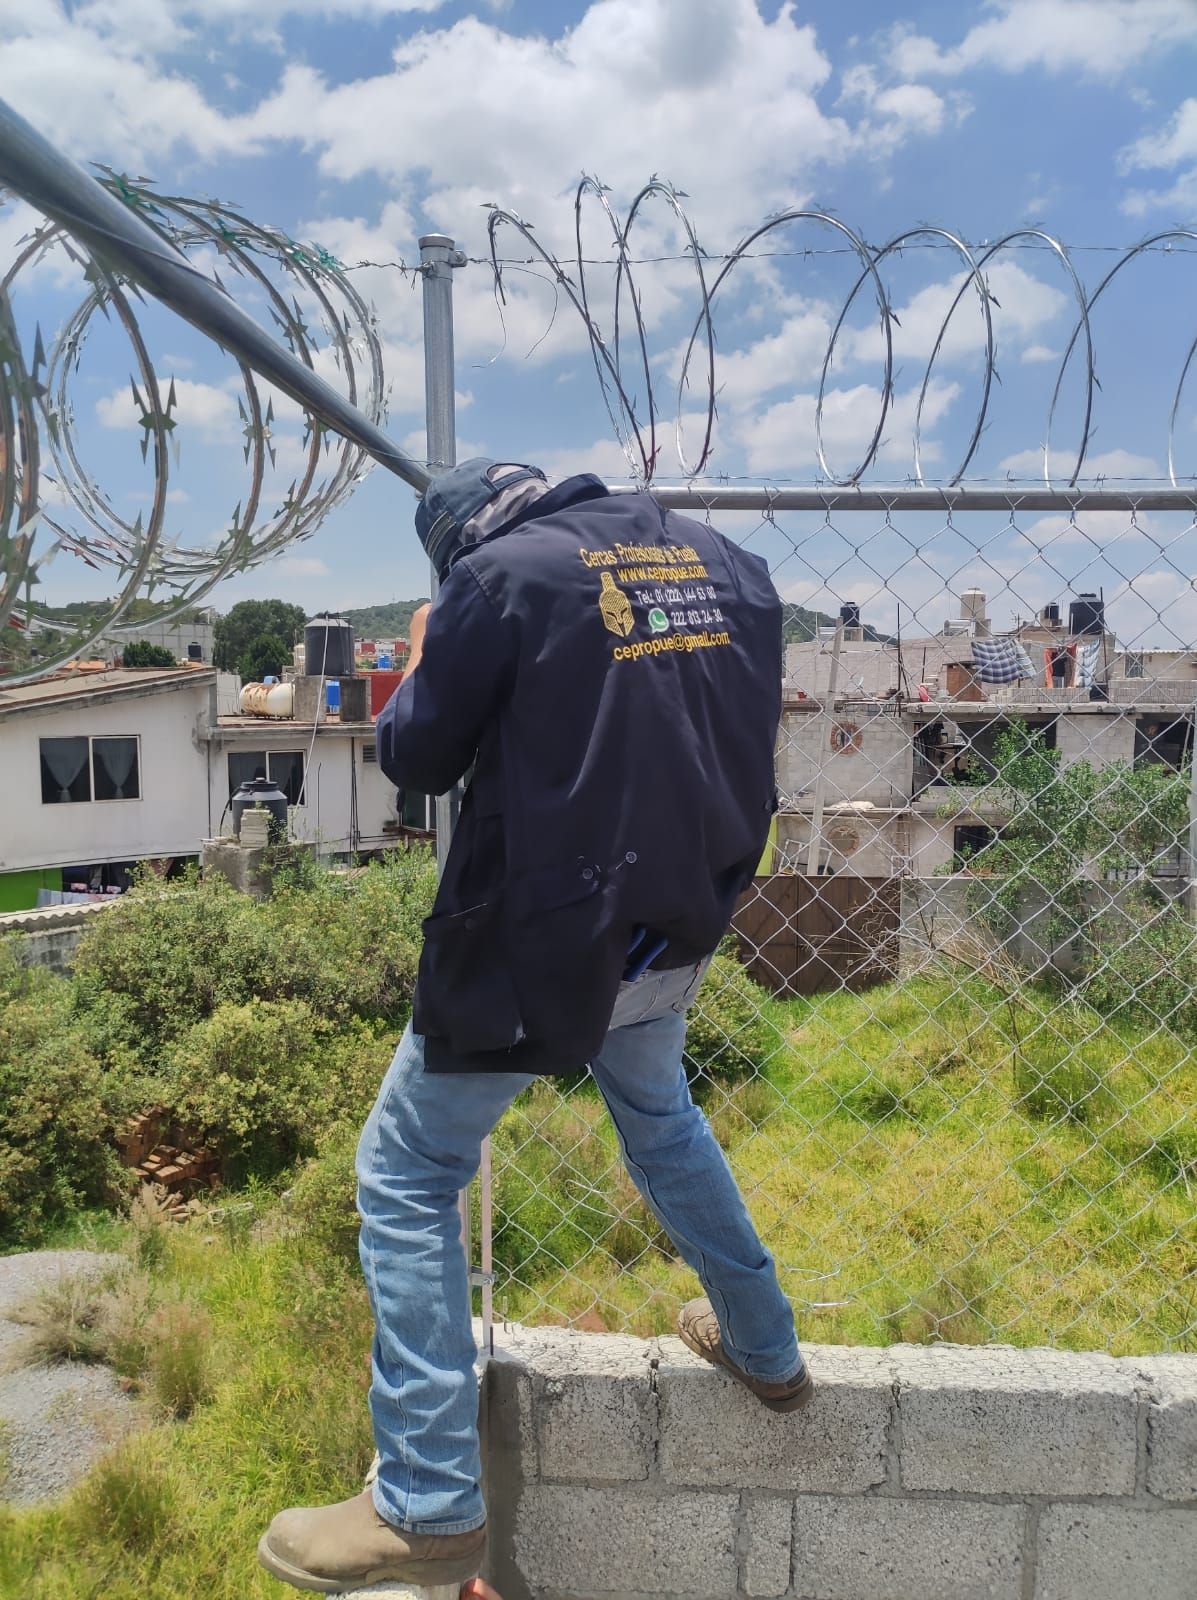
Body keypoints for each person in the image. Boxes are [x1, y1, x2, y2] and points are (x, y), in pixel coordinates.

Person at [258, 461, 812, 1595]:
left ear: (456, 542)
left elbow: (416, 757)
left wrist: (425, 647)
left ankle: (425, 1502)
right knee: (660, 1117)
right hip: (679, 922)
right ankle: (766, 1346)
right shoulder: (724, 564)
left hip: (550, 944)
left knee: (407, 1170)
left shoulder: (495, 581)